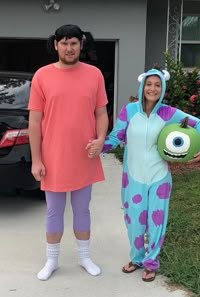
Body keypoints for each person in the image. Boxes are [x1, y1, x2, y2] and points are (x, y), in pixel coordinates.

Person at [86, 65, 200, 282]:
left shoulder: (169, 113)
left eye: (157, 85)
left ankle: (151, 263)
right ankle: (137, 258)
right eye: (149, 84)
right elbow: (116, 137)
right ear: (142, 86)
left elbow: (198, 124)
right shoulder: (129, 111)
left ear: (162, 89)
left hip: (159, 177)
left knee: (156, 222)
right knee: (134, 221)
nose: (152, 89)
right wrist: (100, 146)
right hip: (132, 177)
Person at [28, 24, 108, 281]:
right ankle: (52, 260)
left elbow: (101, 113)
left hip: (85, 156)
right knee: (54, 210)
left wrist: (100, 139)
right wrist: (36, 160)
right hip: (53, 157)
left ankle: (84, 256)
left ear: (81, 45)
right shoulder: (42, 75)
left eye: (74, 43)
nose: (69, 47)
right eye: (64, 43)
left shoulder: (94, 74)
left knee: (82, 209)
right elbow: (34, 122)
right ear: (55, 45)